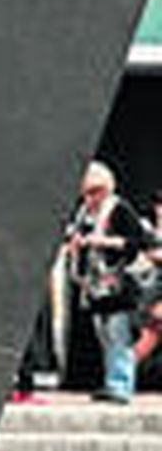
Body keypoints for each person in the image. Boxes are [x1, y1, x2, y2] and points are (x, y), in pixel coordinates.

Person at [65, 161, 146, 404]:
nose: (91, 198)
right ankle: (112, 383)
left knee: (119, 336)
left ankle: (121, 386)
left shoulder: (120, 209)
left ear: (107, 189)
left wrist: (102, 241)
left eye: (95, 192)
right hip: (96, 286)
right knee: (105, 337)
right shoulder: (84, 212)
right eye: (87, 193)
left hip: (118, 284)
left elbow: (137, 242)